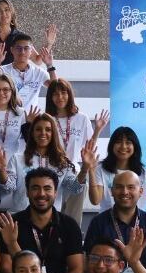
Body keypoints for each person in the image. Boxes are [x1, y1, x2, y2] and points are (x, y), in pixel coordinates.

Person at [0, 168, 84, 273]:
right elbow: (5, 268)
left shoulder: (69, 225)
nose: (41, 194)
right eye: (35, 188)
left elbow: (76, 269)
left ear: (55, 193)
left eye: (47, 188)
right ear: (27, 192)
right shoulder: (11, 223)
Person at [84, 170, 146, 273]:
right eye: (119, 187)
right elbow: (88, 261)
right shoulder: (98, 222)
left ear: (141, 191)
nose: (124, 192)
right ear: (112, 191)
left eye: (131, 187)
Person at [45, 78, 108, 224]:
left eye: (63, 92)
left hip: (71, 172)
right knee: (52, 211)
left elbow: (88, 147)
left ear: (70, 95)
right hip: (50, 170)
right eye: (55, 94)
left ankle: (72, 235)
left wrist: (97, 130)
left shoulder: (81, 118)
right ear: (50, 97)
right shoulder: (47, 119)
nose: (60, 97)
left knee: (75, 199)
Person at [3, 114, 93, 214]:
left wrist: (84, 169)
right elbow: (8, 188)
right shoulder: (17, 159)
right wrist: (2, 171)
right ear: (32, 133)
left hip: (51, 221)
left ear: (53, 134)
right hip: (21, 218)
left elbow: (74, 188)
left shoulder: (62, 163)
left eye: (48, 129)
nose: (43, 133)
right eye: (38, 129)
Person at [0, 34, 56, 111]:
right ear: (12, 50)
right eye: (19, 48)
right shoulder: (3, 71)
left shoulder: (38, 73)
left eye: (26, 48)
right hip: (10, 119)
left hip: (32, 119)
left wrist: (50, 65)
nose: (22, 52)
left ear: (31, 51)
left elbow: (55, 88)